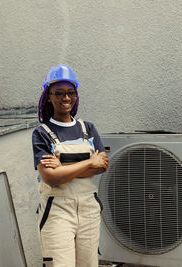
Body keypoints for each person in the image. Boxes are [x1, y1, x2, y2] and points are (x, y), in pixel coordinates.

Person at [32, 64, 109, 267]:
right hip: (57, 210)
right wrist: (89, 162)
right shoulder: (41, 133)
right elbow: (51, 178)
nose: (65, 98)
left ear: (75, 95)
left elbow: (102, 166)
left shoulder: (88, 128)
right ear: (49, 96)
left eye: (70, 93)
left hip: (88, 209)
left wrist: (64, 167)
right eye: (59, 93)